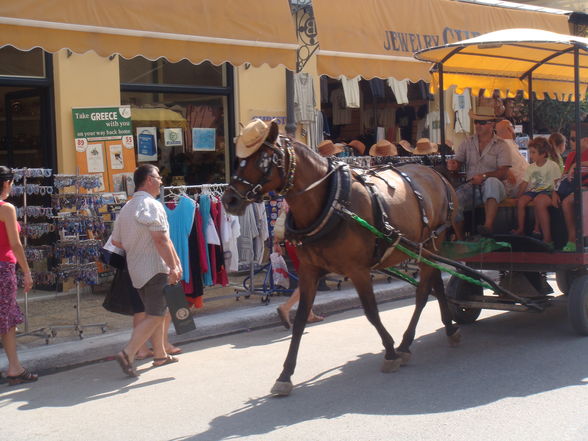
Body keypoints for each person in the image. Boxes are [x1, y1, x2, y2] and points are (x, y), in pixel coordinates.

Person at [111, 164, 183, 377]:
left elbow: (117, 241)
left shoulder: (127, 207)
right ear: (149, 180)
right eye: (158, 177)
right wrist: (173, 266)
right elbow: (161, 239)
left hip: (137, 271)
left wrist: (138, 248)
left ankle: (160, 355)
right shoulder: (151, 205)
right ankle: (128, 352)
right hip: (154, 269)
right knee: (155, 314)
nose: (161, 181)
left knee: (158, 312)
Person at [447, 106, 511, 239]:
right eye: (476, 122)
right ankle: (460, 238)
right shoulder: (467, 142)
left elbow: (504, 173)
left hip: (496, 187)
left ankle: (487, 227)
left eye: (481, 122)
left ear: (491, 124)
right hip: (472, 187)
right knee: (453, 200)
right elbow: (458, 161)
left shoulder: (501, 145)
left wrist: (484, 176)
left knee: (491, 183)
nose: (477, 125)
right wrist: (454, 164)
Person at [0, 166, 38, 386]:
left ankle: (15, 366)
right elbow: (15, 244)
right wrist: (27, 270)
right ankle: (14, 367)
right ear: (6, 184)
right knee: (7, 320)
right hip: (4, 267)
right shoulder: (6, 209)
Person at [273, 202, 323, 330]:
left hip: (291, 243)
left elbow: (279, 221)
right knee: (310, 280)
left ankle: (309, 314)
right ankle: (286, 307)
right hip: (303, 244)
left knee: (305, 278)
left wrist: (276, 242)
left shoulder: (286, 200)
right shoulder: (304, 199)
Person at [511, 138, 561, 245]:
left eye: (533, 152)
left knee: (539, 200)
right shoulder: (531, 167)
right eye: (530, 152)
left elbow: (557, 182)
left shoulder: (552, 166)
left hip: (547, 190)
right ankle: (521, 228)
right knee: (521, 202)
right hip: (533, 190)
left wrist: (554, 194)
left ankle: (547, 238)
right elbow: (525, 183)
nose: (531, 155)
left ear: (543, 154)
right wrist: (519, 196)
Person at [552, 131, 588, 252]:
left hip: (584, 188)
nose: (570, 142)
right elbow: (564, 176)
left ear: (585, 140)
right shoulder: (572, 156)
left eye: (573, 139)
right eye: (570, 139)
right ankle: (552, 239)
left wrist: (578, 164)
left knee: (568, 202)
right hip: (575, 188)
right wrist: (554, 191)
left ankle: (573, 239)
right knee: (543, 200)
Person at [495, 119, 529, 198]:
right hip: (521, 185)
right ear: (509, 129)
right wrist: (508, 172)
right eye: (513, 127)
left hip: (527, 182)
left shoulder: (508, 144)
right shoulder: (502, 145)